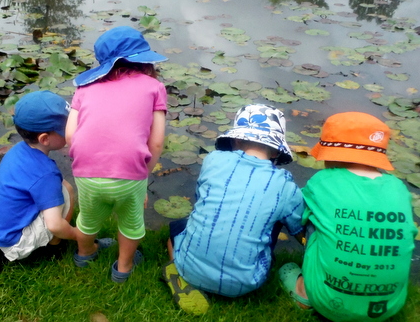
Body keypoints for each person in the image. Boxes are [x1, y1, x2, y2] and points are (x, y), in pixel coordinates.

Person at [165, 104, 305, 315]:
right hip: (246, 283)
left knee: (176, 229)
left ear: (236, 140)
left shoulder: (213, 160)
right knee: (278, 216)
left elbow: (201, 198)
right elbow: (298, 229)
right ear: (277, 149)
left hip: (189, 269)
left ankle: (175, 271)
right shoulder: (285, 186)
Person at [279, 112, 417, 321]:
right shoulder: (397, 187)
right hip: (388, 306)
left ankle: (304, 293)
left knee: (311, 217)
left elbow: (296, 215)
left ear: (332, 154)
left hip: (327, 303)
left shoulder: (322, 181)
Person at [65, 26, 167, 283]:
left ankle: (85, 254)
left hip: (86, 171)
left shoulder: (84, 89)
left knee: (87, 218)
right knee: (131, 224)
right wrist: (143, 176)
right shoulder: (154, 87)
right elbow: (156, 143)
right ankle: (123, 268)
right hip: (130, 174)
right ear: (143, 61)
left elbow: (70, 136)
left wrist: (84, 160)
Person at [0, 91, 81, 275]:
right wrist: (77, 235)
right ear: (44, 139)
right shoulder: (46, 173)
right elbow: (55, 225)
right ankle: (55, 247)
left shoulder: (17, 150)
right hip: (16, 241)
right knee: (67, 191)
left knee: (55, 189)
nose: (70, 132)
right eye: (65, 130)